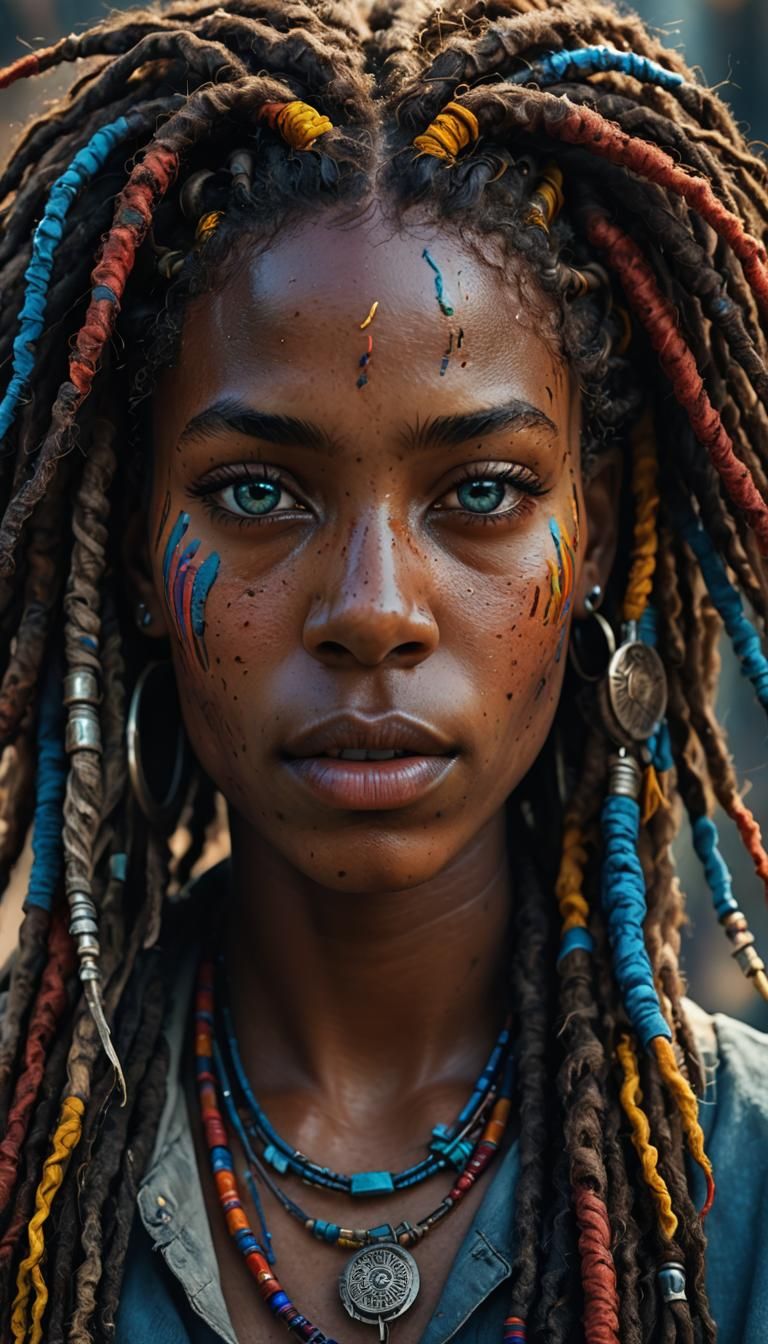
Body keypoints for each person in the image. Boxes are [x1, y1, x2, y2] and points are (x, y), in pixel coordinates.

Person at [1, 1, 768, 1340]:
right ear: (133, 544)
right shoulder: (25, 1175)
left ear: (593, 534)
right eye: (257, 491)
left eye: (481, 490)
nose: (372, 611)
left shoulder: (746, 1188)